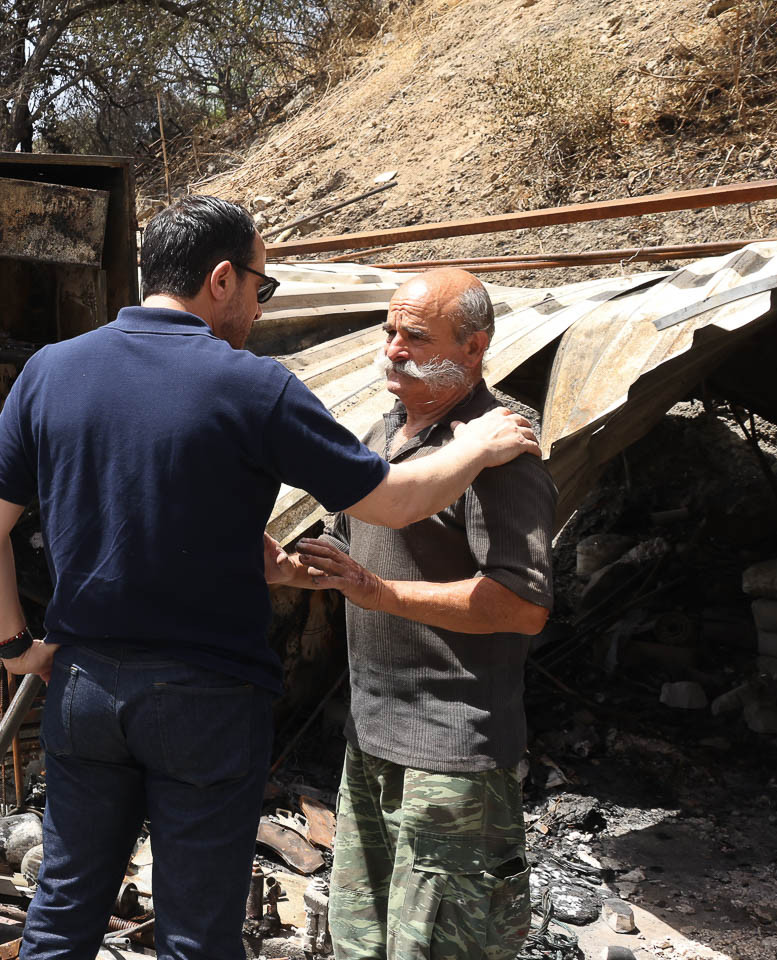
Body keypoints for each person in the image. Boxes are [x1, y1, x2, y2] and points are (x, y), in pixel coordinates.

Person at [0, 198, 540, 960]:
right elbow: (394, 501)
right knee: (197, 934)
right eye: (261, 289)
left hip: (83, 689)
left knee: (63, 917)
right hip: (207, 702)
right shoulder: (253, 386)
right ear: (221, 279)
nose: (260, 312)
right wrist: (479, 447)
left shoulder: (50, 371)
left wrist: (15, 649)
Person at [294, 268, 557, 960]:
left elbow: (523, 606)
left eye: (414, 336)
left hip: (451, 757)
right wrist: (293, 569)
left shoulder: (500, 452)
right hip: (372, 740)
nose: (393, 349)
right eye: (389, 332)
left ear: (474, 348)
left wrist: (381, 594)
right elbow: (354, 557)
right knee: (363, 941)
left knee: (437, 948)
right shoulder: (386, 433)